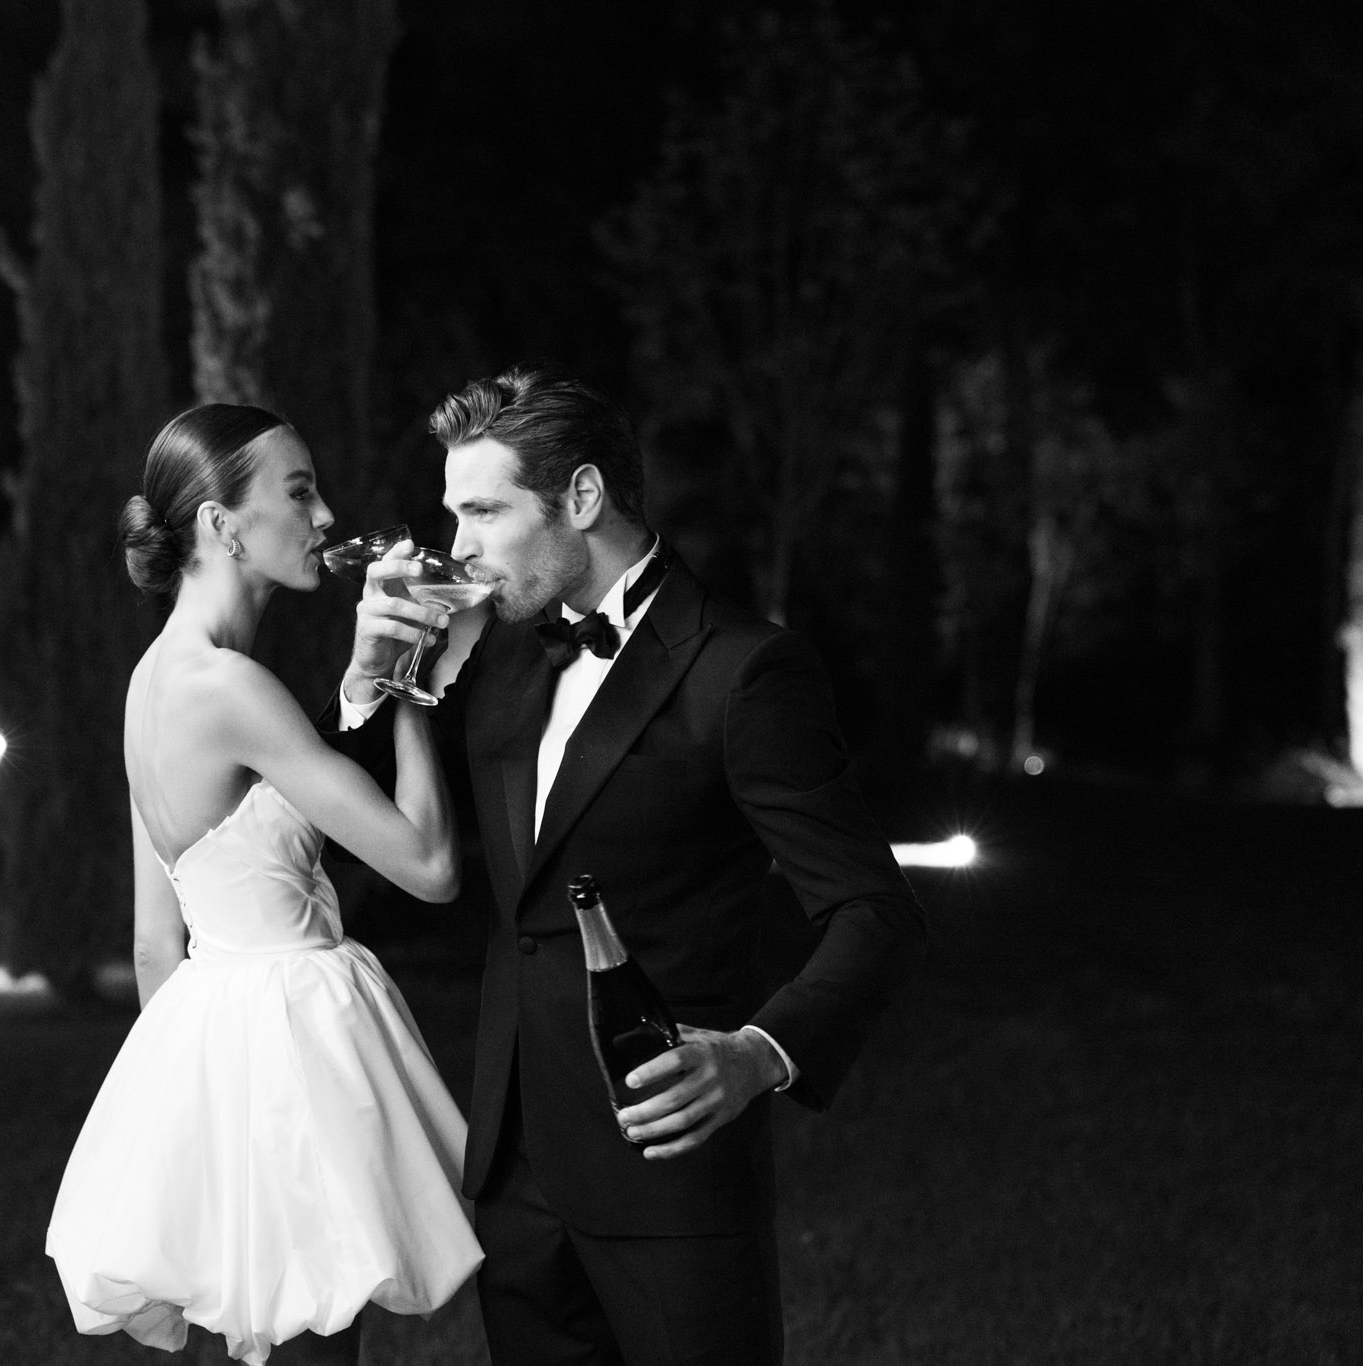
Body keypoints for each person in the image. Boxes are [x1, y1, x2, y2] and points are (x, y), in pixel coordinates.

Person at [335, 367, 927, 1365]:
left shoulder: (742, 670)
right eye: (454, 514)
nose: (459, 546)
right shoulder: (502, 652)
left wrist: (758, 1053)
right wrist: (367, 682)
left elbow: (875, 909)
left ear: (581, 497)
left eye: (483, 511)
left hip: (670, 1181)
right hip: (516, 1175)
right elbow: (360, 822)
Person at [45, 404, 483, 1366]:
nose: (324, 516)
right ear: (222, 524)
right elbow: (431, 867)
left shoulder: (155, 680)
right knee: (316, 1334)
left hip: (223, 1041)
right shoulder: (230, 688)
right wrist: (412, 676)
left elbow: (156, 943)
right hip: (294, 1056)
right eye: (299, 492)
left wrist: (203, 1132)